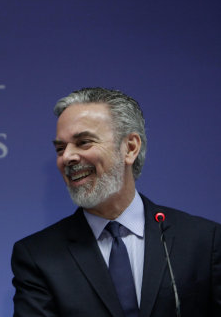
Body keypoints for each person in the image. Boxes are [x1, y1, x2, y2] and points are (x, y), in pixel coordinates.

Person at [11, 87, 221, 316]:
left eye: (83, 142)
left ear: (130, 148)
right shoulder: (39, 256)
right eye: (60, 148)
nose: (67, 157)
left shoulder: (203, 241)